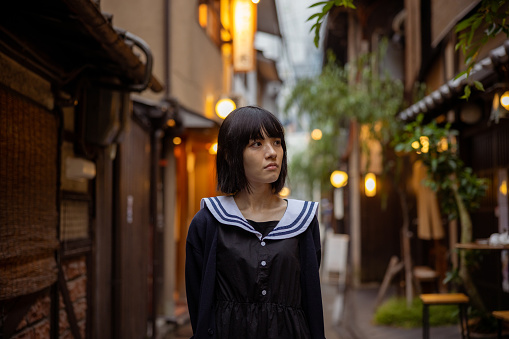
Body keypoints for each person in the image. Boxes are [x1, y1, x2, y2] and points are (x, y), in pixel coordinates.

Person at [185, 106, 325, 339]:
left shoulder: (303, 220)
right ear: (230, 155)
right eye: (257, 144)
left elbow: (311, 299)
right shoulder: (209, 221)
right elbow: (198, 303)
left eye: (277, 142)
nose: (272, 152)